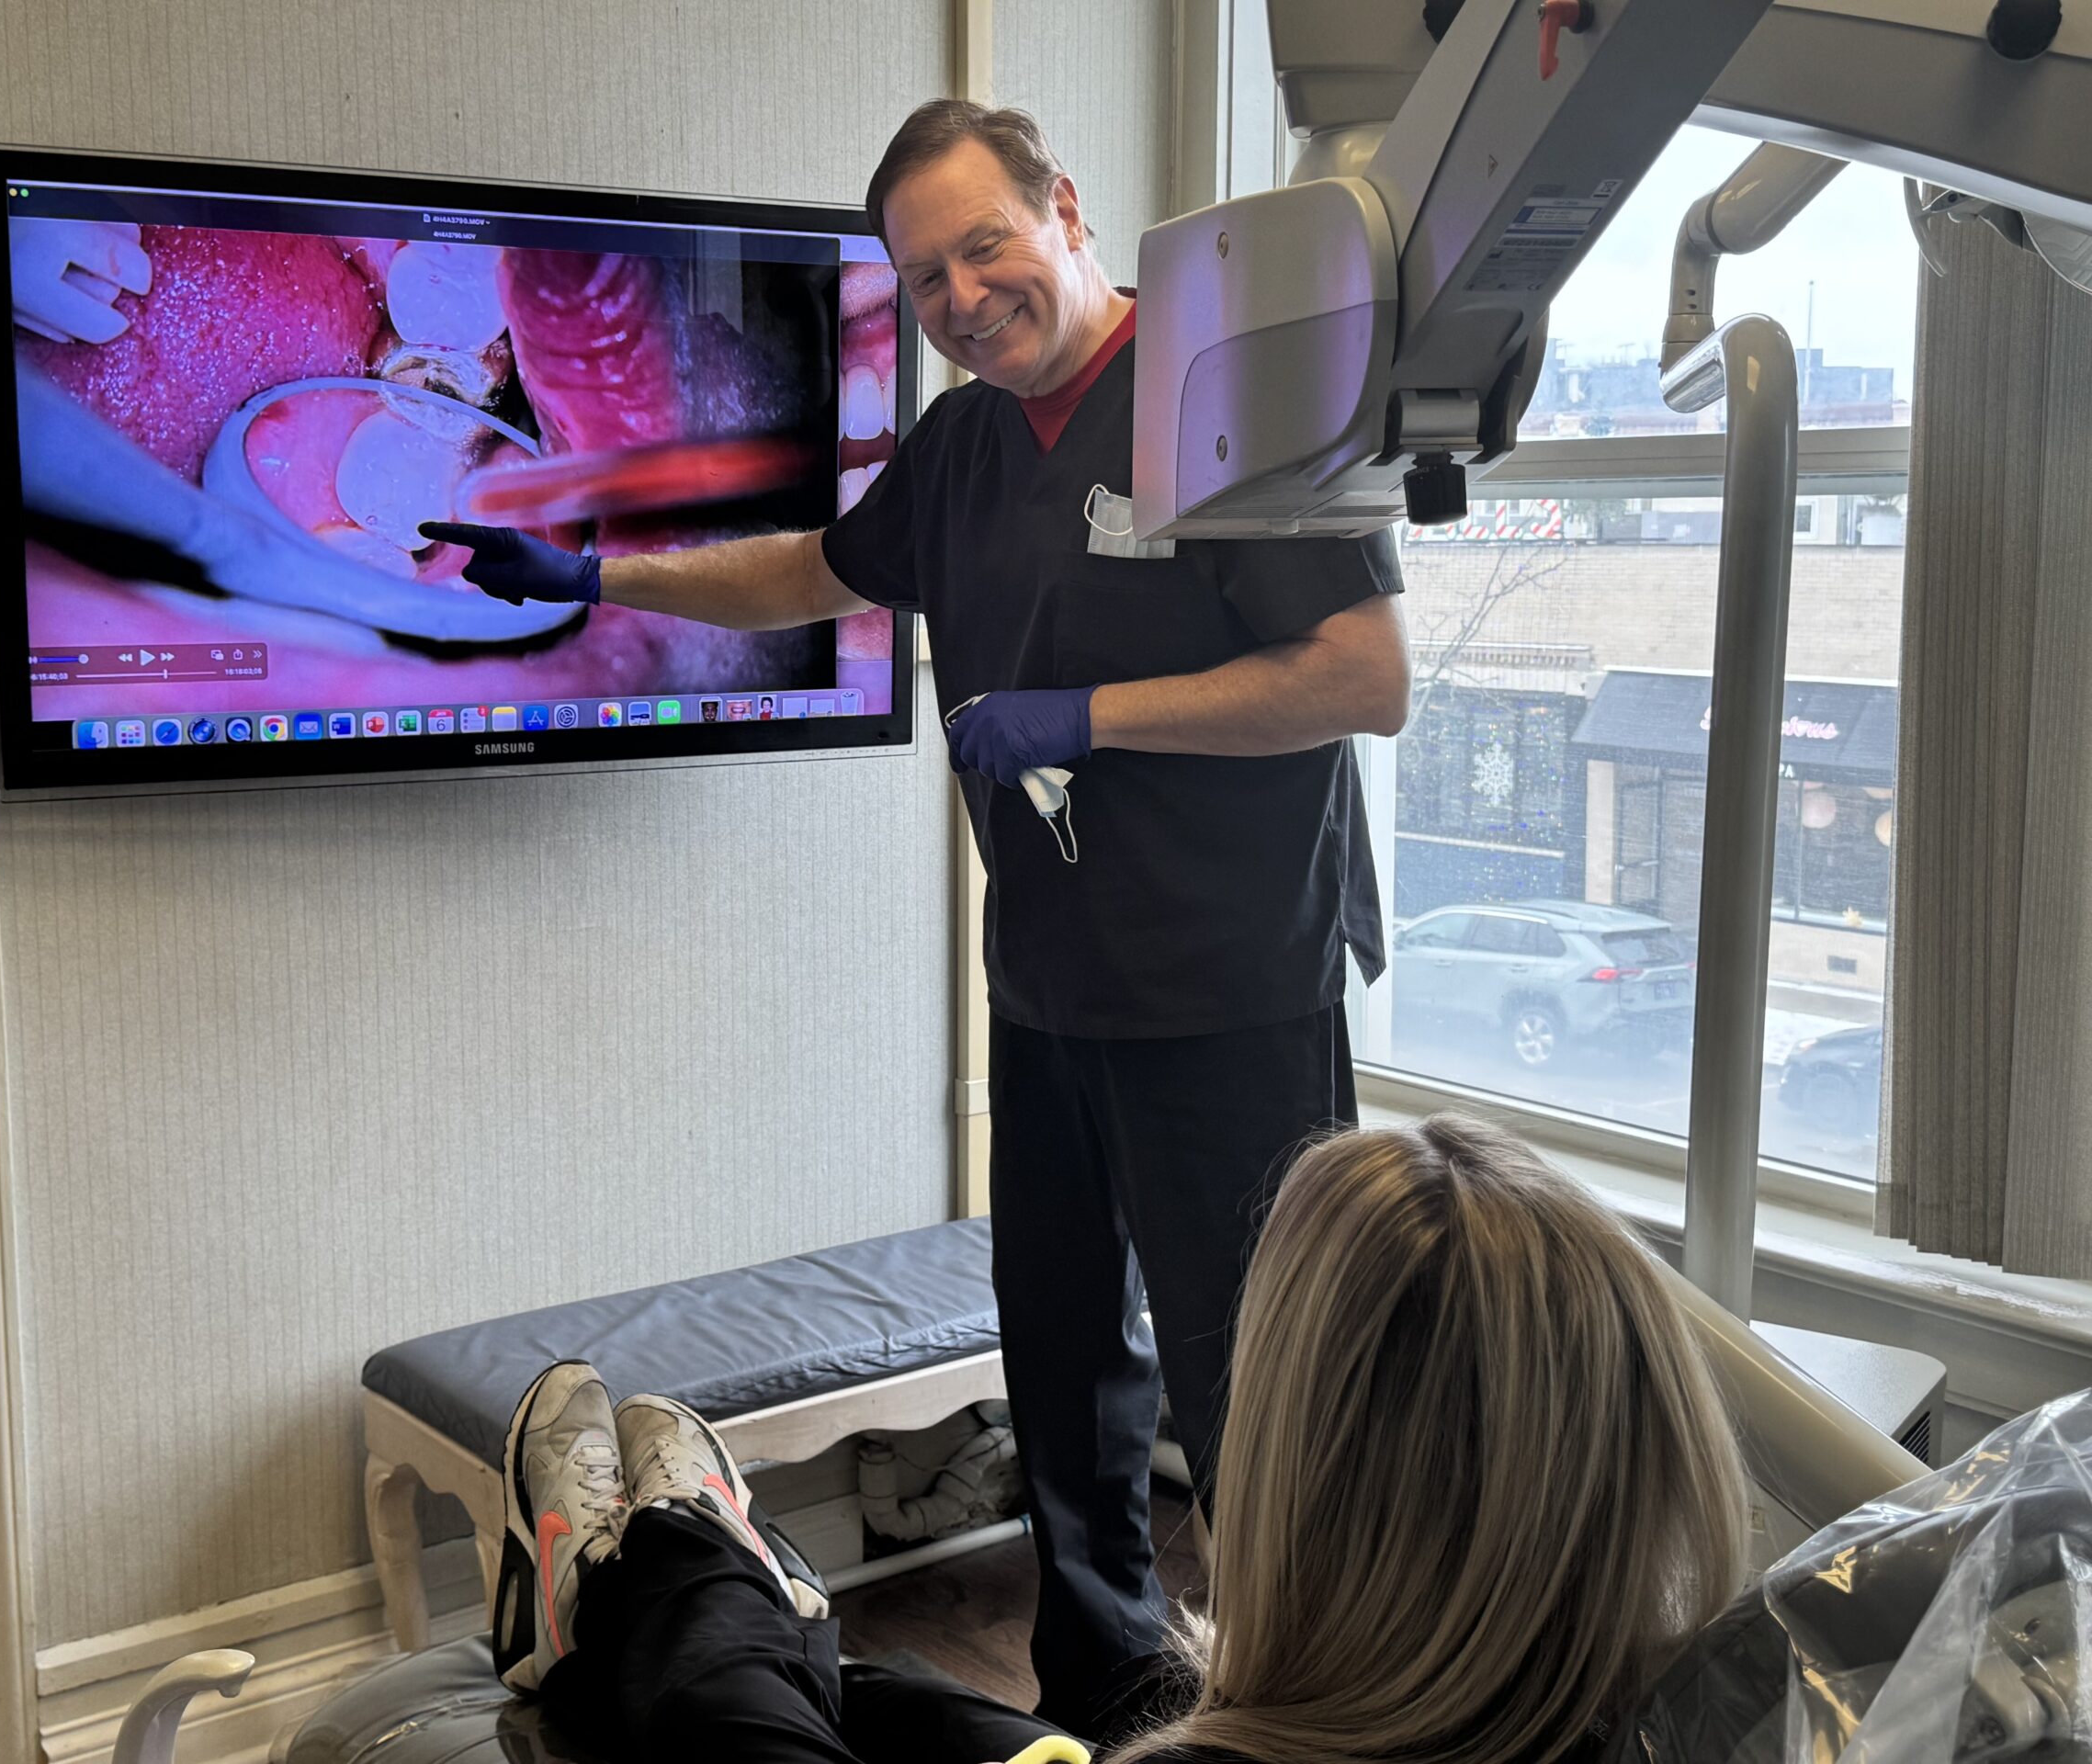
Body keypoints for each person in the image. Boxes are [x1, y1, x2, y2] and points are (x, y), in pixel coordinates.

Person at [423, 98, 1411, 1734]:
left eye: (985, 246)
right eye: (925, 275)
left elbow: (1361, 677)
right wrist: (594, 574)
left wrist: (1091, 718)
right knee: (1066, 1379)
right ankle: (1102, 1704)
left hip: (1232, 991)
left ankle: (1316, 1718)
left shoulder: (1222, 392)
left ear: (1066, 210)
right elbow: (817, 569)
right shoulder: (963, 445)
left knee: (1265, 1399)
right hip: (1051, 987)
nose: (960, 297)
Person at [498, 1115, 1749, 1764]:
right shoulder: (1703, 1720)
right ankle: (775, 1612)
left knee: (725, 1710)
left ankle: (666, 1561)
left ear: (1304, 1471)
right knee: (916, 1704)